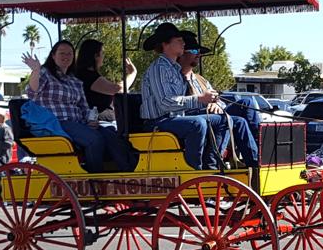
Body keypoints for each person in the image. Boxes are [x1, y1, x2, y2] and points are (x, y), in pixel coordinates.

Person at [22, 40, 133, 173]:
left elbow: (84, 107)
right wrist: (35, 70)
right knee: (94, 140)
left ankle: (128, 172)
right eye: (62, 53)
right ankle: (95, 179)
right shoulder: (45, 73)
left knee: (111, 135)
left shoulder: (74, 80)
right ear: (53, 55)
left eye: (70, 54)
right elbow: (32, 91)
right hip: (56, 122)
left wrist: (90, 120)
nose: (66, 56)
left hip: (78, 123)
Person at [139, 23, 226, 170]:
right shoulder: (159, 68)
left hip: (174, 119)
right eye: (179, 40)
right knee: (197, 124)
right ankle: (193, 169)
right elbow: (165, 103)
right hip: (157, 123)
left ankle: (211, 165)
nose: (183, 43)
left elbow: (183, 102)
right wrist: (199, 99)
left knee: (223, 119)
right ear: (166, 44)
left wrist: (211, 102)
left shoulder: (175, 69)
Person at [177, 31, 259, 168]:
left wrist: (218, 105)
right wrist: (207, 105)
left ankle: (260, 146)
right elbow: (180, 105)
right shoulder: (177, 78)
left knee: (247, 102)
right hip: (195, 117)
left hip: (213, 113)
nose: (199, 54)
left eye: (199, 51)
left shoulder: (200, 79)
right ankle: (252, 163)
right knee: (237, 121)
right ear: (182, 54)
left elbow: (217, 98)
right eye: (194, 50)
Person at [74, 39, 137, 122]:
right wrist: (133, 73)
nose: (103, 56)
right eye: (102, 53)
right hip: (100, 123)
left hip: (108, 121)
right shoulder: (88, 76)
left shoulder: (88, 75)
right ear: (96, 56)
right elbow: (118, 89)